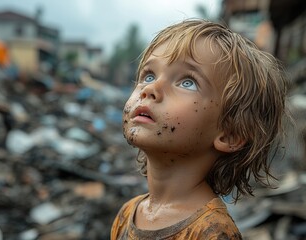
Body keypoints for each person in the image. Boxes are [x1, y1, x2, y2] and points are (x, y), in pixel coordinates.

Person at [111, 19, 289, 239]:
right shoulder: (127, 214)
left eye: (187, 82)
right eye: (149, 75)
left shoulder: (211, 231)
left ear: (230, 134)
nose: (150, 88)